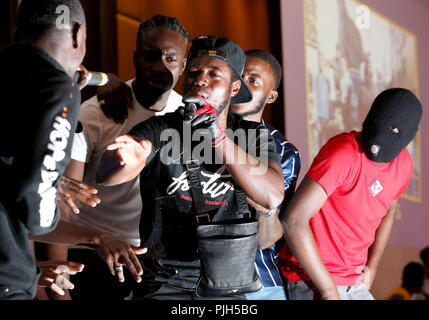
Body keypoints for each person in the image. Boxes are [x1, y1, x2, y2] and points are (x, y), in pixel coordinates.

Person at [96, 36, 285, 300]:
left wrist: (219, 138)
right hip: (163, 285)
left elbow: (273, 195)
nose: (200, 80)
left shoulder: (252, 136)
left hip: (227, 287)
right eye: (194, 72)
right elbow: (105, 176)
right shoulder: (162, 129)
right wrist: (125, 159)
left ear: (233, 88)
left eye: (214, 74)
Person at [46, 15, 188, 300]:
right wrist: (60, 288)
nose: (160, 65)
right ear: (135, 58)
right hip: (91, 252)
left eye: (170, 59)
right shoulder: (98, 112)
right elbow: (64, 203)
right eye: (150, 56)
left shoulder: (187, 116)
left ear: (183, 65)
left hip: (155, 258)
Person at [279, 88, 423, 300]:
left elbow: (390, 212)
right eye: (379, 121)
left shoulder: (404, 164)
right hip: (310, 278)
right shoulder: (344, 152)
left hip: (353, 282)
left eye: (393, 129)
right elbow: (293, 220)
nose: (382, 134)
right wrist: (328, 291)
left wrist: (371, 268)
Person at [0, 0, 89, 300]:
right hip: (7, 276)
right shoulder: (57, 88)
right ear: (77, 34)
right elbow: (36, 207)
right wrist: (67, 95)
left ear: (16, 32)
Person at [229, 49, 301, 300]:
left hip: (260, 281)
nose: (241, 85)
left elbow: (267, 238)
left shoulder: (284, 153)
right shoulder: (198, 134)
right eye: (238, 76)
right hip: (198, 277)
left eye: (253, 80)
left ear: (271, 96)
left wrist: (265, 208)